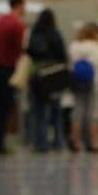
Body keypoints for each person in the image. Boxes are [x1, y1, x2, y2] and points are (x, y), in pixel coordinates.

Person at [25, 8, 68, 152]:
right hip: (55, 73)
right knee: (56, 111)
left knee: (38, 111)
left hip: (38, 74)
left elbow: (29, 52)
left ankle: (40, 144)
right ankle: (58, 142)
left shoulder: (35, 33)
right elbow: (63, 54)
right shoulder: (56, 33)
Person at [0, 0, 26, 154]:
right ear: (20, 5)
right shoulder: (17, 24)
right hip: (8, 68)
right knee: (5, 106)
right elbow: (19, 49)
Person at [69, 23, 98, 152]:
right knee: (93, 111)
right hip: (93, 81)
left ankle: (75, 141)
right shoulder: (97, 47)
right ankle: (94, 142)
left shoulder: (74, 46)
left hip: (77, 82)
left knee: (77, 110)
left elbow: (70, 63)